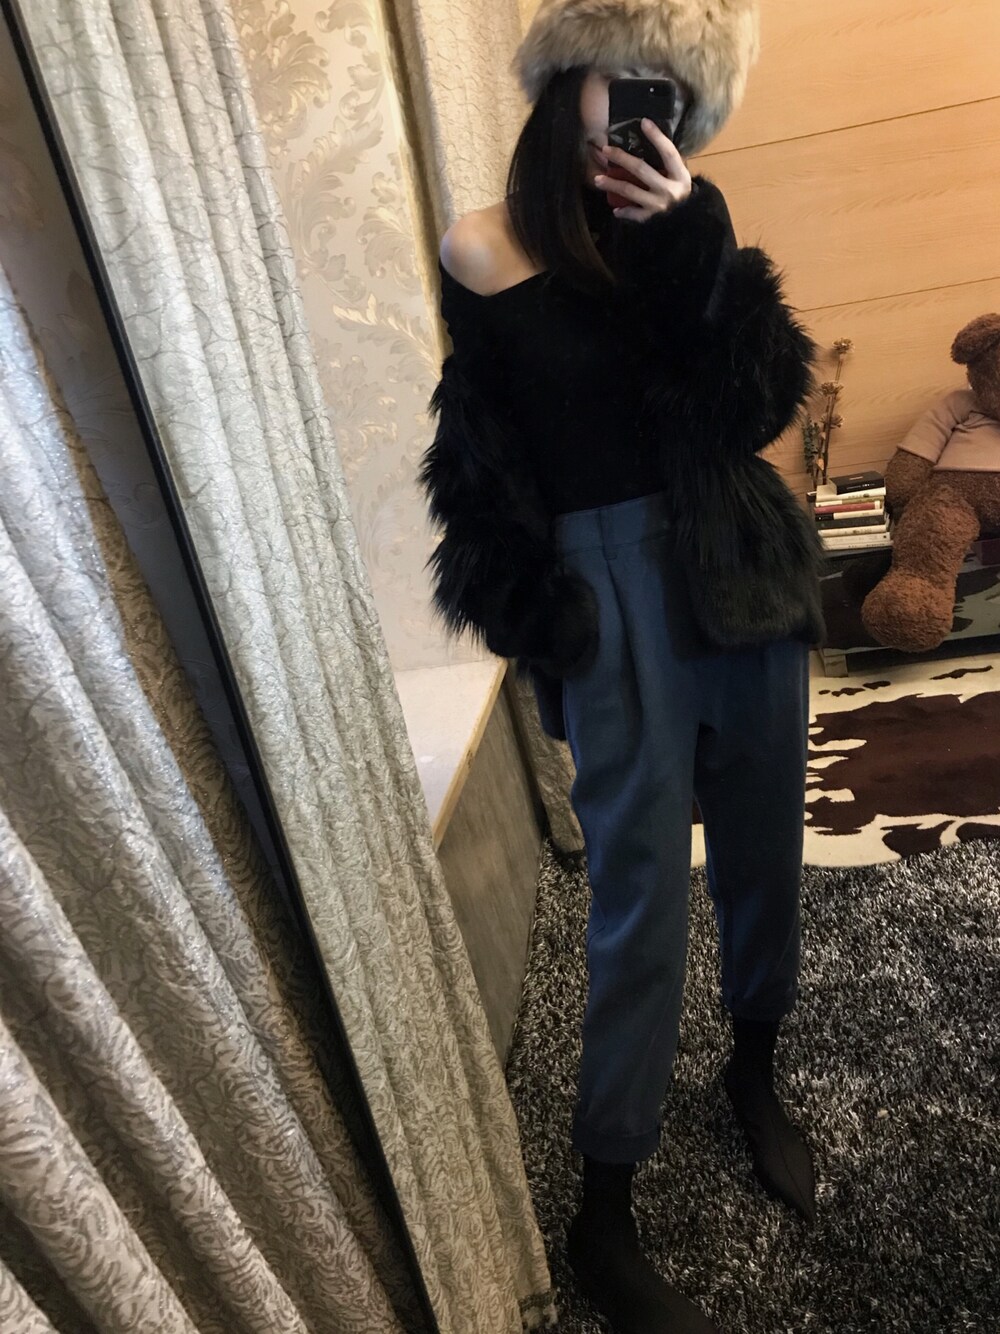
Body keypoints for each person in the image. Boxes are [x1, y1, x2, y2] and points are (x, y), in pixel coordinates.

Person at [418, 2, 827, 1330]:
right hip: (606, 594)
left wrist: (690, 249)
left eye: (671, 90)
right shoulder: (483, 245)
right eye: (625, 78)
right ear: (564, 83)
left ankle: (752, 1071)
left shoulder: (690, 223)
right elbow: (482, 461)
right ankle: (605, 1204)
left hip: (737, 566)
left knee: (765, 849)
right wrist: (534, 615)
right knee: (639, 895)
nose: (649, 107)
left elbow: (751, 410)